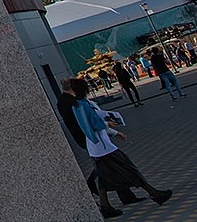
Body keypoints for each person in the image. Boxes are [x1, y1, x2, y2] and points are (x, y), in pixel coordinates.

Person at [65, 78, 172, 216]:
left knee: (104, 176)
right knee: (128, 168)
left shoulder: (80, 105)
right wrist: (109, 125)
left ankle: (106, 206)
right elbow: (95, 123)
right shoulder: (84, 105)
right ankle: (153, 193)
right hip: (103, 147)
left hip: (97, 147)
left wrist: (114, 131)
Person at [55, 82, 137, 213]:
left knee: (108, 167)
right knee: (113, 166)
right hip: (92, 138)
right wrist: (109, 127)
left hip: (87, 138)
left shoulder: (63, 102)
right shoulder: (76, 102)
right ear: (73, 88)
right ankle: (97, 188)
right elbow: (89, 120)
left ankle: (123, 196)